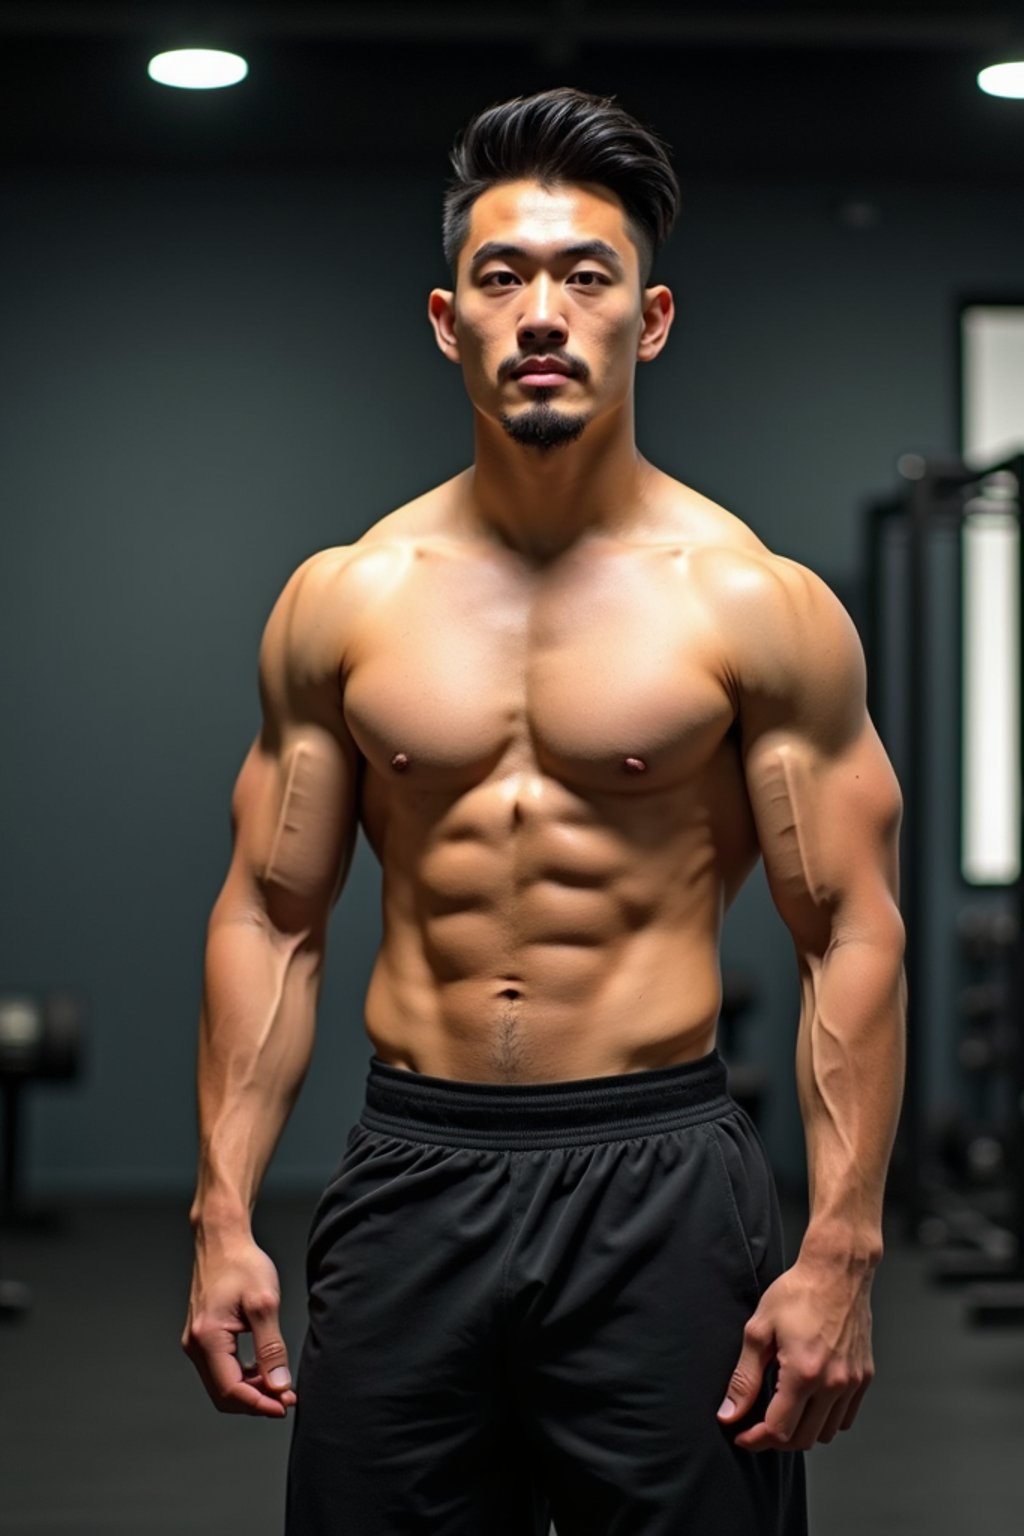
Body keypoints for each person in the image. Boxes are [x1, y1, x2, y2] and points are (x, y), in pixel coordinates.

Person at [182, 86, 906, 1535]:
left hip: (662, 1177)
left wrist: (841, 1250)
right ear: (449, 319)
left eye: (588, 276)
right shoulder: (344, 601)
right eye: (504, 275)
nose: (543, 312)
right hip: (412, 1171)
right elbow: (273, 911)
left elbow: (850, 933)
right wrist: (219, 1213)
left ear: (651, 319)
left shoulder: (757, 607)